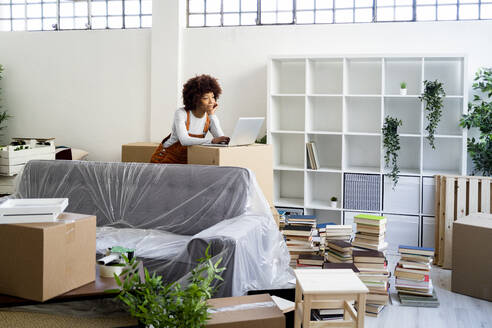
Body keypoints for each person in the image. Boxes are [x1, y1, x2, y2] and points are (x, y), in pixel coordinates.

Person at [150, 74, 230, 164]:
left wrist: (211, 115)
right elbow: (184, 140)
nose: (211, 102)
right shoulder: (181, 113)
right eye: (205, 98)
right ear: (195, 100)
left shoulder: (209, 118)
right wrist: (211, 141)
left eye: (213, 97)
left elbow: (221, 141)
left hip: (188, 160)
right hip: (165, 159)